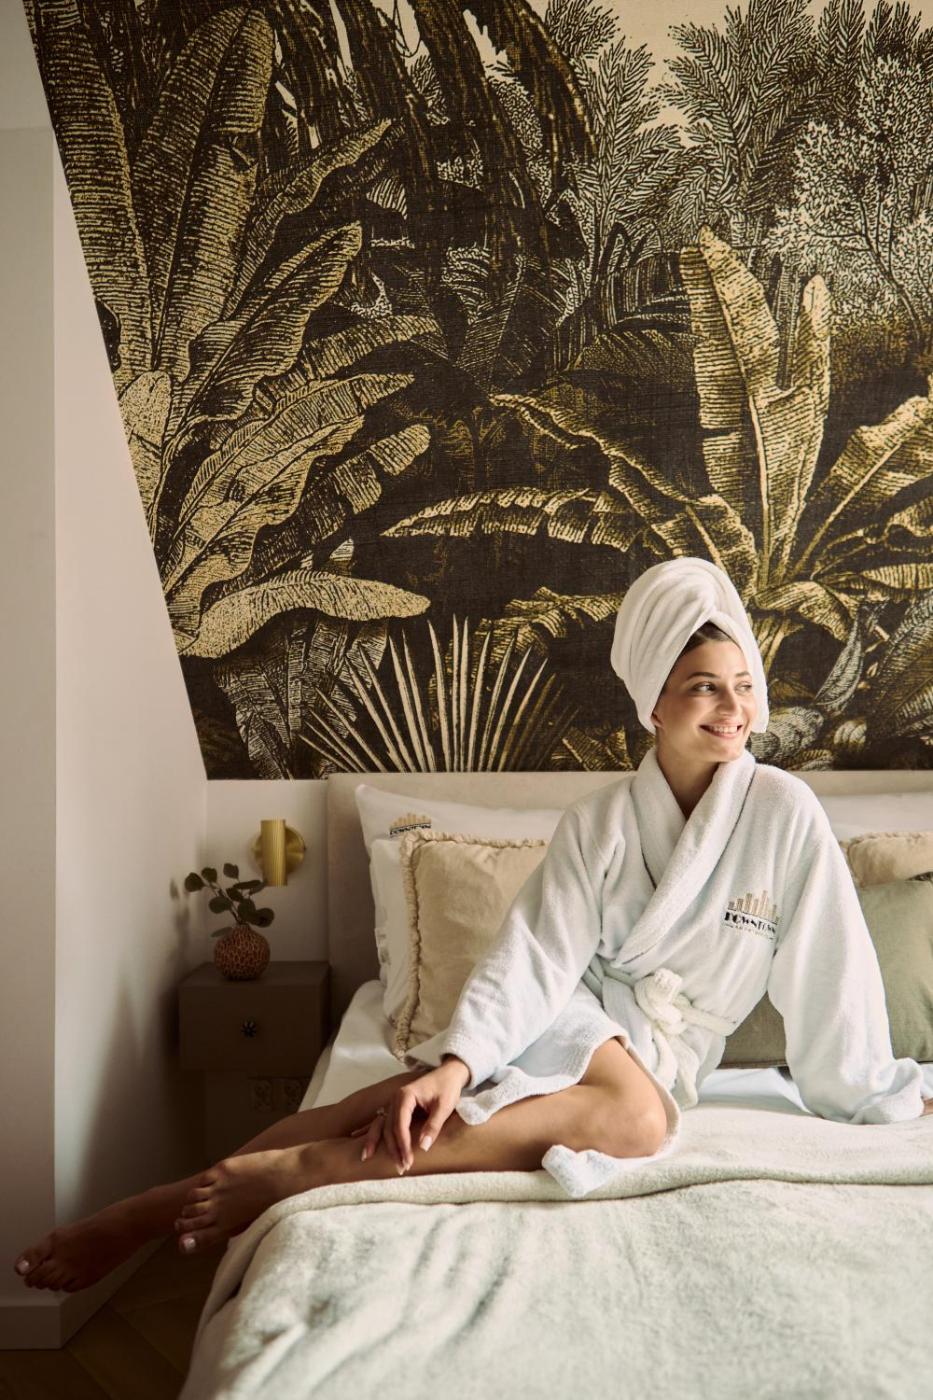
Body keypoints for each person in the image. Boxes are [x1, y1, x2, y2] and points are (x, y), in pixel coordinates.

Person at [14, 557, 932, 1290]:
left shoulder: (782, 813)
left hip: (667, 1047)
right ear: (652, 701)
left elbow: (831, 965)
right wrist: (459, 1063)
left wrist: (869, 1087)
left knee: (391, 1103)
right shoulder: (601, 822)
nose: (733, 711)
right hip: (575, 1010)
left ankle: (186, 1198)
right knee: (628, 1120)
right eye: (702, 687)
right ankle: (266, 1182)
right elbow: (536, 954)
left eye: (742, 686)